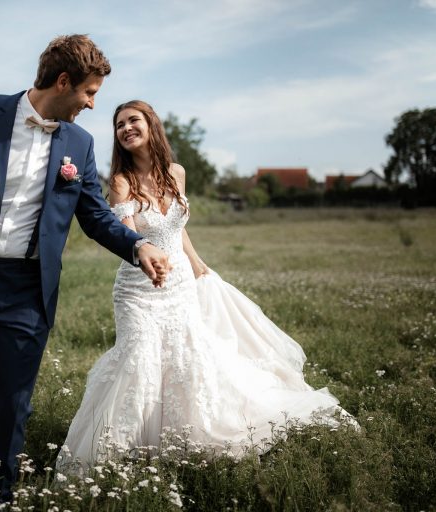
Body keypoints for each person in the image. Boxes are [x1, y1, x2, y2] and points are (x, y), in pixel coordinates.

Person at [0, 37, 170, 499]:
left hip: (28, 287)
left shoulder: (78, 142)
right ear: (63, 82)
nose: (93, 104)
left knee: (11, 398)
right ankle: (6, 443)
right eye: (89, 93)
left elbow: (95, 215)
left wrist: (138, 246)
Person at [56, 100, 357, 472]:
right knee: (141, 357)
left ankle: (183, 434)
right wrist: (149, 262)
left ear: (151, 125)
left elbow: (176, 227)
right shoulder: (121, 182)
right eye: (119, 125)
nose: (125, 128)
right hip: (139, 287)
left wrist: (197, 264)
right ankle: (119, 447)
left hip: (180, 280)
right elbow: (128, 236)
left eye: (133, 120)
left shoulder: (176, 173)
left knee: (185, 358)